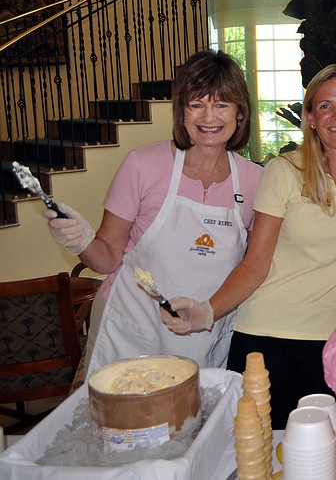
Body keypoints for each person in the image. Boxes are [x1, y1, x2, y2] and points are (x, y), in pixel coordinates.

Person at [162, 64, 336, 428]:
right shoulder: (284, 171)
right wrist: (208, 311)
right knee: (262, 456)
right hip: (267, 339)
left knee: (329, 453)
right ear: (311, 118)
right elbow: (255, 264)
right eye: (325, 106)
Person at [43, 50, 263, 376]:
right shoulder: (143, 165)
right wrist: (81, 240)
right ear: (181, 112)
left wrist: (209, 312)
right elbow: (106, 259)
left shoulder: (253, 179)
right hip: (133, 329)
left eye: (221, 104)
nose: (209, 117)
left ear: (239, 114)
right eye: (197, 104)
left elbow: (254, 264)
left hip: (207, 333)